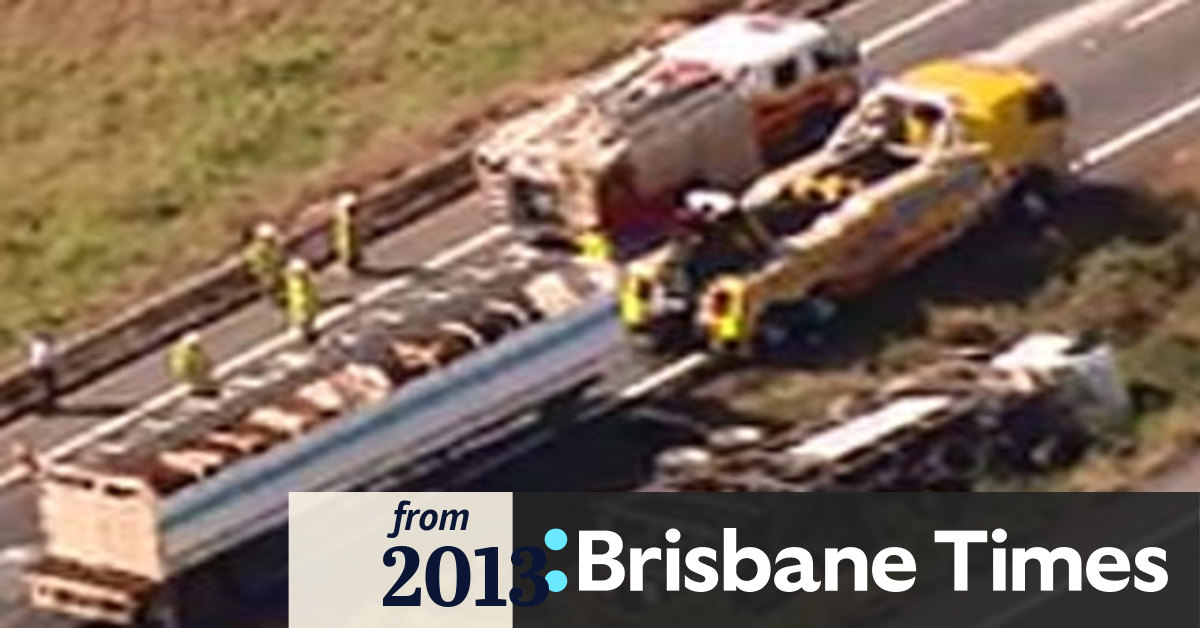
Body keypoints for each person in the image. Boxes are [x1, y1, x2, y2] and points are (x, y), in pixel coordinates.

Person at [243, 221, 285, 302]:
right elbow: (274, 257)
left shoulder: (247, 252)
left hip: (265, 276)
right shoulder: (260, 247)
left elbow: (249, 268)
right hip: (272, 273)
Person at [168, 332, 217, 397]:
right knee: (201, 383)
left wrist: (209, 364)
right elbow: (180, 366)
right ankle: (202, 393)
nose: (198, 345)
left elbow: (202, 357)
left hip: (195, 371)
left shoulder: (194, 348)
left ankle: (204, 391)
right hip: (189, 372)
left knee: (205, 382)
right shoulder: (183, 351)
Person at [284, 258, 320, 344]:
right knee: (306, 322)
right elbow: (301, 298)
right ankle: (308, 335)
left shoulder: (296, 281)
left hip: (305, 308)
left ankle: (308, 334)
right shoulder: (299, 283)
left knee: (307, 322)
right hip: (304, 308)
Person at [331, 191, 364, 273]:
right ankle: (350, 260)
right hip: (349, 255)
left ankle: (350, 259)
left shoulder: (343, 220)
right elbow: (346, 241)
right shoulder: (347, 223)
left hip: (349, 253)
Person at [26, 332, 58, 412]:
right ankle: (47, 406)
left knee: (41, 387)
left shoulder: (35, 345)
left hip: (35, 368)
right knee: (47, 388)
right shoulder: (46, 347)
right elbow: (50, 358)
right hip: (44, 368)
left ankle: (43, 405)